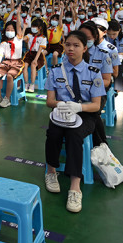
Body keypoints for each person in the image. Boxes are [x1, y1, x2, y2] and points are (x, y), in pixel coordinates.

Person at [44, 30, 106, 213]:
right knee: (53, 132)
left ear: (85, 48)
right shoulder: (55, 71)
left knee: (74, 135)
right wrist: (63, 104)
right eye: (68, 45)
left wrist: (78, 108)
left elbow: (96, 106)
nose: (71, 49)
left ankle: (75, 185)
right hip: (62, 112)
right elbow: (49, 101)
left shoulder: (93, 72)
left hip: (86, 114)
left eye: (76, 45)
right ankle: (51, 172)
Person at [0, 9, 25, 108]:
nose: (9, 31)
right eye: (7, 30)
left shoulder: (18, 38)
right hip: (6, 62)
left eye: (12, 30)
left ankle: (7, 98)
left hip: (17, 62)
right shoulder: (3, 43)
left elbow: (19, 26)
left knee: (10, 76)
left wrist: (18, 14)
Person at [23, 18, 48, 93]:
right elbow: (22, 39)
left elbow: (40, 50)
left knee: (33, 65)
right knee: (25, 65)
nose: (32, 28)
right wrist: (24, 29)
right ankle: (26, 83)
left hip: (38, 55)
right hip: (30, 53)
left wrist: (35, 60)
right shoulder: (29, 35)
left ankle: (32, 84)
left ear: (40, 28)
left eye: (34, 26)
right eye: (32, 26)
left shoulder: (43, 38)